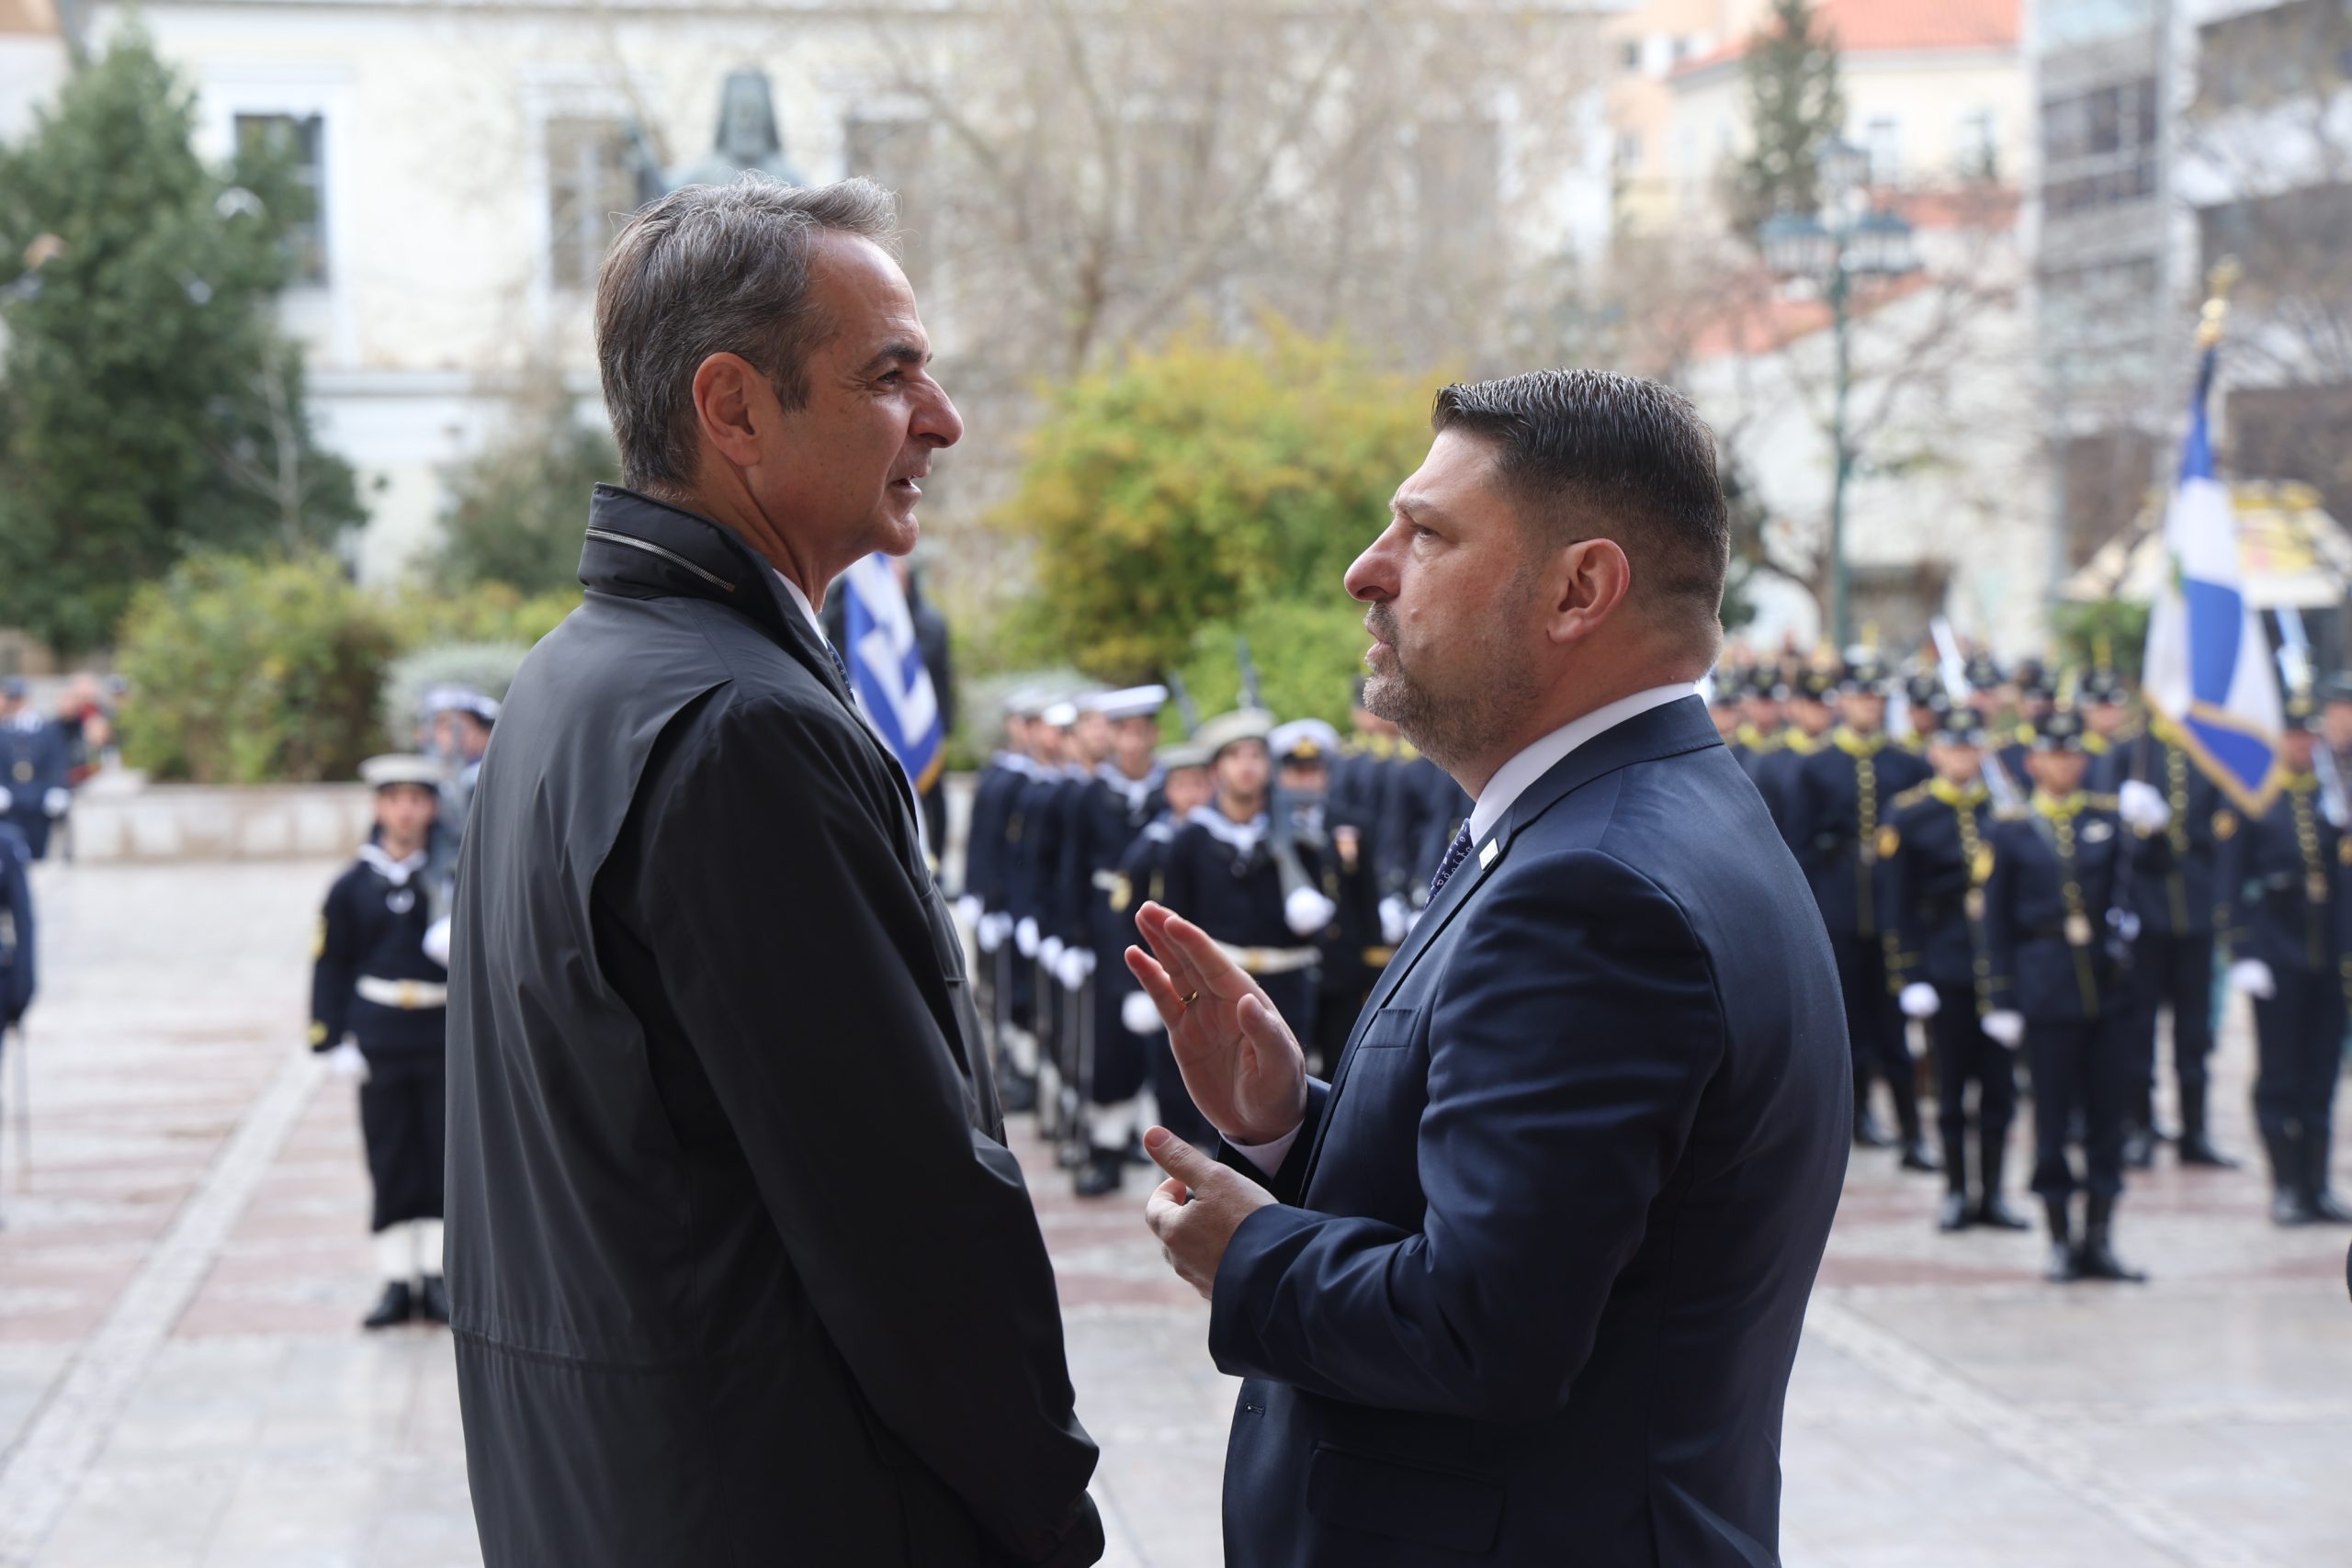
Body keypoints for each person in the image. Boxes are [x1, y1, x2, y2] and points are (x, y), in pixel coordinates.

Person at [444, 178, 1101, 1567]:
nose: (942, 419)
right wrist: (1050, 1508)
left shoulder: (570, 679)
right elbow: (904, 1219)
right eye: (890, 375)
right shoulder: (741, 729)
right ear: (733, 409)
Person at [1127, 369, 1849, 1567]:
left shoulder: (1593, 885)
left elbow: (1486, 1330)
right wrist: (1289, 1126)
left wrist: (1250, 1253)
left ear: (1578, 590)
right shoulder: (1631, 816)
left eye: (1426, 534)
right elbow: (1546, 1219)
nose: (1365, 570)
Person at [1980, 708, 2170, 1282]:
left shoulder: (2109, 819)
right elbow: (1995, 922)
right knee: (2053, 1120)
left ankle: (2100, 1238)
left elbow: (2151, 875)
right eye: (2052, 755)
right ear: (2033, 762)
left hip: (2109, 994)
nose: (2063, 765)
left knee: (2109, 1121)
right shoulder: (2011, 829)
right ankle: (2060, 1239)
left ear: (2083, 762)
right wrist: (2001, 999)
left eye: (2071, 755)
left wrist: (2153, 828)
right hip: (2046, 992)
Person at [310, 756, 456, 1327]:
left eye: (417, 800)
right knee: (390, 1153)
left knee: (442, 1154)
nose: (406, 812)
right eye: (395, 800)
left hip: (439, 1032)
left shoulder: (448, 879)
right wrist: (329, 1039)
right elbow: (330, 962)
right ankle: (396, 1277)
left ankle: (438, 1275)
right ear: (378, 808)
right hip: (380, 1036)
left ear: (432, 808)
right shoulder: (352, 886)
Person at [1882, 709, 2027, 1232]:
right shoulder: (1911, 814)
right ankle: (1956, 1192)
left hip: (1999, 970)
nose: (1963, 758)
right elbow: (1895, 903)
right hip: (1945, 966)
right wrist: (1910, 974)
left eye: (1971, 748)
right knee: (1950, 1090)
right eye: (1953, 748)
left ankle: (1994, 1194)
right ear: (1936, 752)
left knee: (2000, 1089)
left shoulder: (2005, 810)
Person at [1789, 653, 1937, 1166]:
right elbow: (1799, 848)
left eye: (1876, 697)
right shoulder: (1817, 766)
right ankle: (1853, 1122)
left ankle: (1912, 1133)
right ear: (1843, 702)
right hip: (1840, 907)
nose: (1868, 706)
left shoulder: (1907, 763)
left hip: (1893, 911)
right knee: (1848, 1022)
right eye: (1860, 696)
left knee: (1895, 1025)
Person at [2217, 688, 2352, 1227]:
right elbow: (2229, 881)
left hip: (2327, 953)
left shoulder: (2332, 793)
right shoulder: (2253, 796)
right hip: (2276, 951)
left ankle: (2317, 1185)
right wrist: (2243, 951)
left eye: (2308, 736)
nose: (2301, 745)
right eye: (2293, 736)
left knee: (2321, 1072)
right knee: (2279, 1075)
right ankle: (2286, 1185)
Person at [2094, 703, 2236, 1168]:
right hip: (2144, 910)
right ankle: (2140, 1126)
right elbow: (2099, 826)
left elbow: (2226, 826)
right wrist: (2130, 821)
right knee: (2140, 1028)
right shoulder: (2128, 753)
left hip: (2195, 910)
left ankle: (2195, 1132)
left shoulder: (2208, 752)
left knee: (2194, 1031)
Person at [1159, 709, 1333, 1064]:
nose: (1247, 765)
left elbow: (1323, 911)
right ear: (1215, 770)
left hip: (1288, 983)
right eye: (1234, 756)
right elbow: (1173, 922)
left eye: (1256, 755)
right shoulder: (1190, 840)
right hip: (1217, 984)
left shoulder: (1298, 835)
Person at [1059, 685, 1167, 1197]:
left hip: (1162, 919)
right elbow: (1072, 865)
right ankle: (1106, 1144)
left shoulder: (1170, 790)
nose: (1133, 743)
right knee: (1109, 1038)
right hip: (1107, 924)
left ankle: (1166, 1143)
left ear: (1154, 735)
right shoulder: (1090, 793)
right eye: (1124, 732)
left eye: (1142, 732)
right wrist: (1070, 934)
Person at [1111, 739, 1216, 1145]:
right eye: (1182, 785)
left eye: (1199, 784)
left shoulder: (1220, 837)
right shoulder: (1152, 845)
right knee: (1173, 1067)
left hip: (1213, 968)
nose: (1192, 794)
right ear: (1168, 790)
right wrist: (1133, 985)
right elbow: (1126, 917)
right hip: (1172, 973)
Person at [0, 679, 71, 861]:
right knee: (14, 848)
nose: (15, 704)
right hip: (11, 799)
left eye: (19, 699)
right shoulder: (3, 730)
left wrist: (58, 788)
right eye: (12, 699)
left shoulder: (47, 730)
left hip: (39, 796)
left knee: (39, 850)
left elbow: (56, 760)